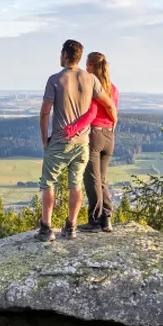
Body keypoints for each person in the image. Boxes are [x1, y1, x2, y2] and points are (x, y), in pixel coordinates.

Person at [36, 39, 118, 242]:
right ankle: (71, 226)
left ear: (64, 55)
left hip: (60, 140)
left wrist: (44, 139)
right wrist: (114, 122)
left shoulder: (55, 79)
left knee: (48, 183)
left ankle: (46, 229)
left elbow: (45, 112)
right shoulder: (90, 79)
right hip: (82, 142)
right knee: (76, 184)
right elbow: (107, 104)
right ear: (80, 57)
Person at [63, 51, 118, 232]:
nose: (85, 68)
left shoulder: (94, 88)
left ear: (93, 67)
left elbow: (91, 114)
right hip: (109, 136)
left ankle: (94, 221)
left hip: (94, 135)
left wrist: (72, 129)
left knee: (91, 180)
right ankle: (107, 219)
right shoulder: (113, 89)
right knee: (101, 179)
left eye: (87, 65)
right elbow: (112, 110)